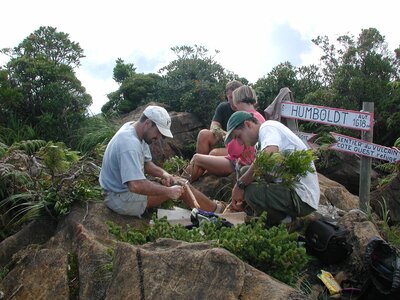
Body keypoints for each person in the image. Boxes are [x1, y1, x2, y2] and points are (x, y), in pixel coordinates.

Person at [99, 105, 222, 216]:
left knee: (177, 182)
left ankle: (210, 208)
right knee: (182, 188)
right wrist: (168, 191)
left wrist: (164, 174)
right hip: (119, 199)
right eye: (158, 132)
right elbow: (135, 186)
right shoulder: (130, 144)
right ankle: (215, 212)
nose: (158, 138)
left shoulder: (134, 128)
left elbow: (147, 164)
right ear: (147, 123)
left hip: (117, 191)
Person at [224, 111, 320, 226]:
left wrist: (241, 184)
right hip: (293, 192)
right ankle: (270, 217)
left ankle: (286, 222)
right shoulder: (259, 142)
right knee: (246, 172)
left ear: (248, 124)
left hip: (302, 197)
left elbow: (270, 152)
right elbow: (266, 171)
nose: (240, 143)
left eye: (238, 136)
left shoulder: (268, 127)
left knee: (251, 192)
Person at [186, 85, 266, 182]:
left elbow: (233, 151)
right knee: (207, 158)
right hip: (249, 161)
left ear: (237, 102)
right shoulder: (259, 118)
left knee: (197, 158)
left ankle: (180, 184)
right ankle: (187, 184)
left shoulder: (244, 120)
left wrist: (230, 139)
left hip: (240, 163)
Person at [195, 80, 243, 156]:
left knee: (214, 154)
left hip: (241, 145)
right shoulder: (223, 107)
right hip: (224, 139)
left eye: (236, 97)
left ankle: (203, 163)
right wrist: (226, 134)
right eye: (231, 97)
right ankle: (199, 165)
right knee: (203, 134)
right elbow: (213, 126)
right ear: (227, 96)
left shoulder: (245, 110)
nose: (234, 100)